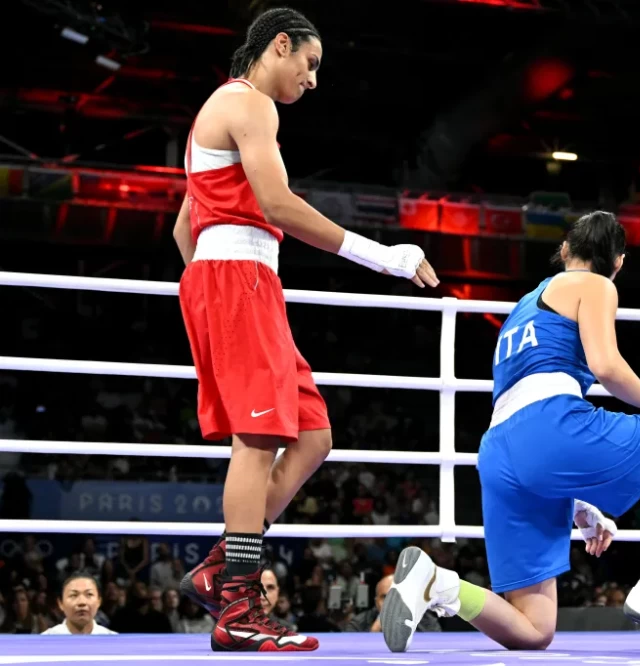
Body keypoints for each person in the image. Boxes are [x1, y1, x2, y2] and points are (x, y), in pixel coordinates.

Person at [171, 7, 440, 653]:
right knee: (259, 436)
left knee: (313, 435)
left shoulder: (221, 113)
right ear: (280, 46)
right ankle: (238, 603)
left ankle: (217, 568)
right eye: (310, 63)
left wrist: (217, 286)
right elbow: (278, 205)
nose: (313, 79)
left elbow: (185, 226)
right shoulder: (251, 104)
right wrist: (384, 255)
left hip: (237, 281)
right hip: (238, 280)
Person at [377, 211, 640, 653]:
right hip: (550, 428)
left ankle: (436, 584)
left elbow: (529, 420)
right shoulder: (595, 284)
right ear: (619, 262)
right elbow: (606, 367)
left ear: (565, 249)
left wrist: (579, 506)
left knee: (533, 630)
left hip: (500, 450)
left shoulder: (523, 308)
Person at [344, 575, 441, 633]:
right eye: (385, 597)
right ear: (376, 602)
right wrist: (374, 633)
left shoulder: (428, 622)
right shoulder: (358, 624)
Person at [42, 574, 117, 635]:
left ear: (99, 601)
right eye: (73, 595)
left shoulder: (113, 640)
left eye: (89, 594)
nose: (82, 602)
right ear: (60, 603)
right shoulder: (46, 640)